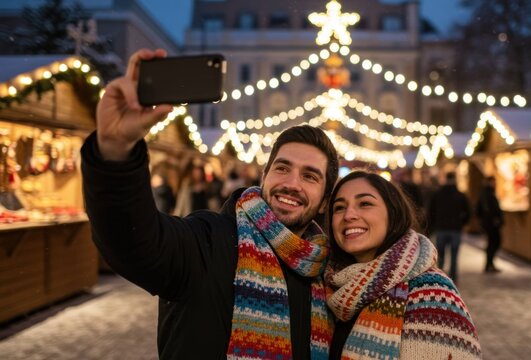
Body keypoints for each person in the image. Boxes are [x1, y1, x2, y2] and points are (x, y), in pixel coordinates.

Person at [81, 49, 339, 359]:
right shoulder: (206, 241)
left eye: (310, 176)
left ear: (325, 200)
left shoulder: (327, 274)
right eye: (282, 168)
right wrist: (115, 149)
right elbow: (132, 241)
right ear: (264, 175)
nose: (292, 183)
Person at [326, 171, 481, 360]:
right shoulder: (326, 287)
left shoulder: (434, 295)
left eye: (365, 204)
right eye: (339, 207)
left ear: (393, 214)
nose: (348, 215)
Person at [426, 171, 471, 281]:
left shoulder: (438, 194)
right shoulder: (460, 195)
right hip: (455, 229)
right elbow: (468, 212)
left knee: (441, 255)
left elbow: (431, 211)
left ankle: (441, 278)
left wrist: (433, 225)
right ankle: (453, 277)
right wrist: (462, 223)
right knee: (454, 256)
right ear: (455, 179)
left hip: (441, 228)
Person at [476, 176, 504, 273]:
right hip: (491, 223)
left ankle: (489, 264)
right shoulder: (487, 193)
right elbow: (485, 209)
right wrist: (493, 219)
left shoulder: (487, 193)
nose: (495, 183)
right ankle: (489, 264)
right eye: (493, 181)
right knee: (494, 242)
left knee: (493, 243)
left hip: (489, 223)